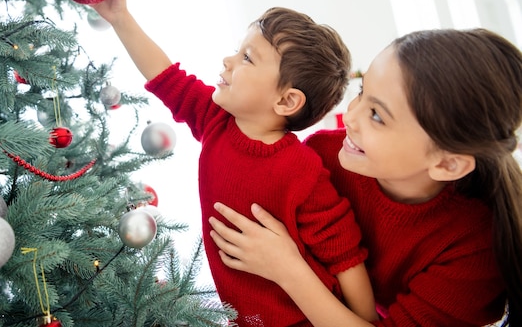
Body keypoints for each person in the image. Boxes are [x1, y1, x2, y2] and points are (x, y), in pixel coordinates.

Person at [91, 0, 379, 325]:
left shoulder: (301, 170)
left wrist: (365, 319)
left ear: (286, 101)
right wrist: (120, 18)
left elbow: (343, 252)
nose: (228, 61)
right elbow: (166, 77)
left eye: (247, 57)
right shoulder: (219, 123)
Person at [208, 28, 522, 326]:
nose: (351, 116)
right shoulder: (323, 157)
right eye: (362, 91)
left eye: (376, 115)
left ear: (448, 165)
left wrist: (288, 270)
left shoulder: (476, 251)